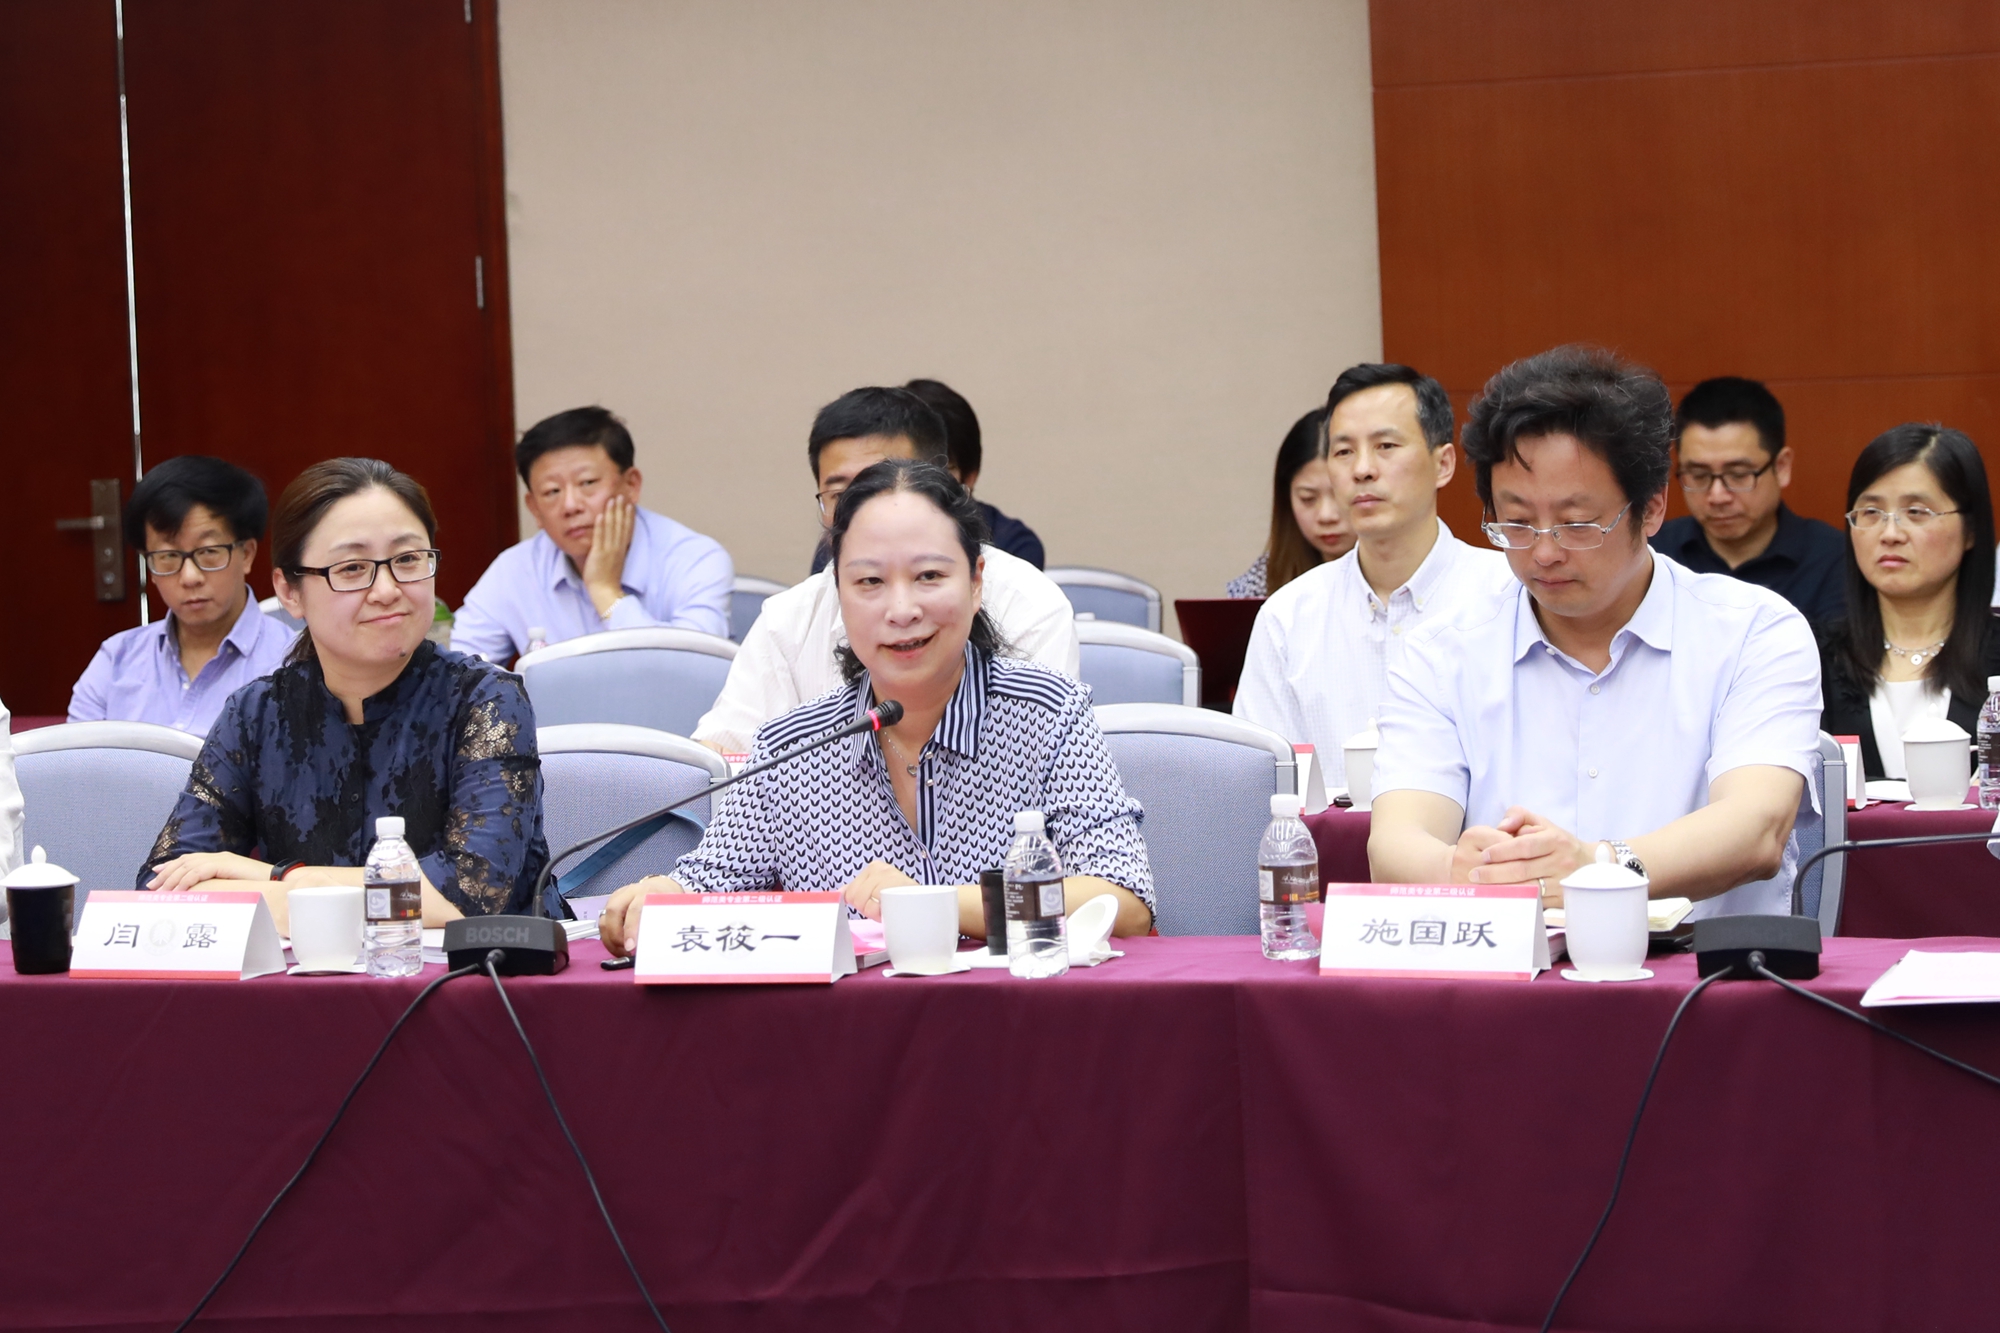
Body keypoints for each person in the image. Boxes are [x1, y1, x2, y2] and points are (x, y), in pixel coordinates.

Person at [600, 458, 1152, 955]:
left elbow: (1123, 902)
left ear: (976, 582)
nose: (902, 609)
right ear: (837, 593)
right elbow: (708, 885)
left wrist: (938, 903)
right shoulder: (793, 746)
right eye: (869, 581)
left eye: (929, 576)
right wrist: (662, 895)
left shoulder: (1049, 714)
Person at [1367, 346, 1820, 920]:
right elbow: (1395, 844)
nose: (1544, 553)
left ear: (1651, 509)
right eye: (1517, 523)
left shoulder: (1754, 632)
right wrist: (1461, 871)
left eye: (1577, 524)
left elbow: (1755, 830)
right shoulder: (1441, 652)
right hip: (1518, 967)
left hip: (1707, 969)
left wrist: (1597, 867)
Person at [142, 458, 549, 932]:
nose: (387, 590)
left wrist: (283, 880)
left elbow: (469, 897)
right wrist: (315, 895)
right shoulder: (256, 714)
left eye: (408, 560)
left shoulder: (487, 700)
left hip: (476, 974)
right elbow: (163, 887)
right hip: (308, 975)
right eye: (353, 568)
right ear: (289, 592)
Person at [694, 387, 1080, 754]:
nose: (863, 510)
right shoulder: (788, 620)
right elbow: (725, 758)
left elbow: (1036, 759)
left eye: (881, 484)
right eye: (841, 495)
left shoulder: (1031, 605)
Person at [1233, 365, 1514, 785]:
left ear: (1443, 464)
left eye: (1386, 446)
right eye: (1344, 452)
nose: (1362, 469)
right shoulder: (1287, 617)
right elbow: (1258, 784)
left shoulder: (1509, 594)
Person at [451, 406, 733, 661]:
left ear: (631, 485)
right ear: (534, 508)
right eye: (552, 491)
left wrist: (606, 591)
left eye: (587, 483)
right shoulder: (514, 570)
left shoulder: (696, 559)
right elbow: (457, 669)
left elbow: (696, 668)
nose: (570, 506)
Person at [1817, 425, 1998, 781]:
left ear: (1971, 530)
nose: (1890, 534)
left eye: (1916, 512)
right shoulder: (1812, 656)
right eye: (1871, 512)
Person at [68, 456, 295, 734]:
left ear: (246, 554)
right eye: (168, 556)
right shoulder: (116, 660)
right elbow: (76, 758)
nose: (190, 577)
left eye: (208, 552)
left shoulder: (292, 663)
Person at [1650, 377, 1847, 625]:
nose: (1718, 497)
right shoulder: (1653, 554)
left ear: (1781, 467)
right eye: (1698, 475)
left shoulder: (1833, 559)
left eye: (1738, 474)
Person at [1227, 406, 1356, 598]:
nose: (1326, 516)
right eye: (1307, 499)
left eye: (1339, 496)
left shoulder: (1397, 577)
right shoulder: (1260, 584)